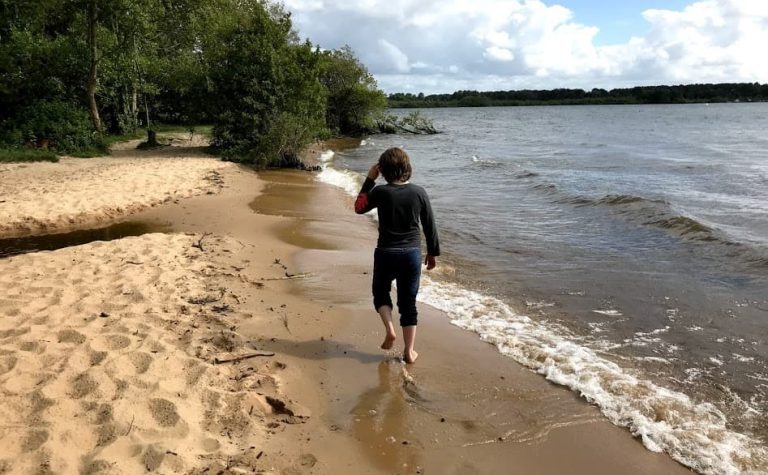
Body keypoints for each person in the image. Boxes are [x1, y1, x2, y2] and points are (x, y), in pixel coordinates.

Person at [354, 147, 440, 364]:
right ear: (407, 168)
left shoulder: (380, 192)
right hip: (411, 254)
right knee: (408, 303)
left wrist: (369, 180)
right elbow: (429, 226)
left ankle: (389, 329)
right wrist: (432, 253)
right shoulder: (419, 192)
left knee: (380, 293)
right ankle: (409, 351)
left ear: (382, 171)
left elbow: (359, 207)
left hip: (385, 252)